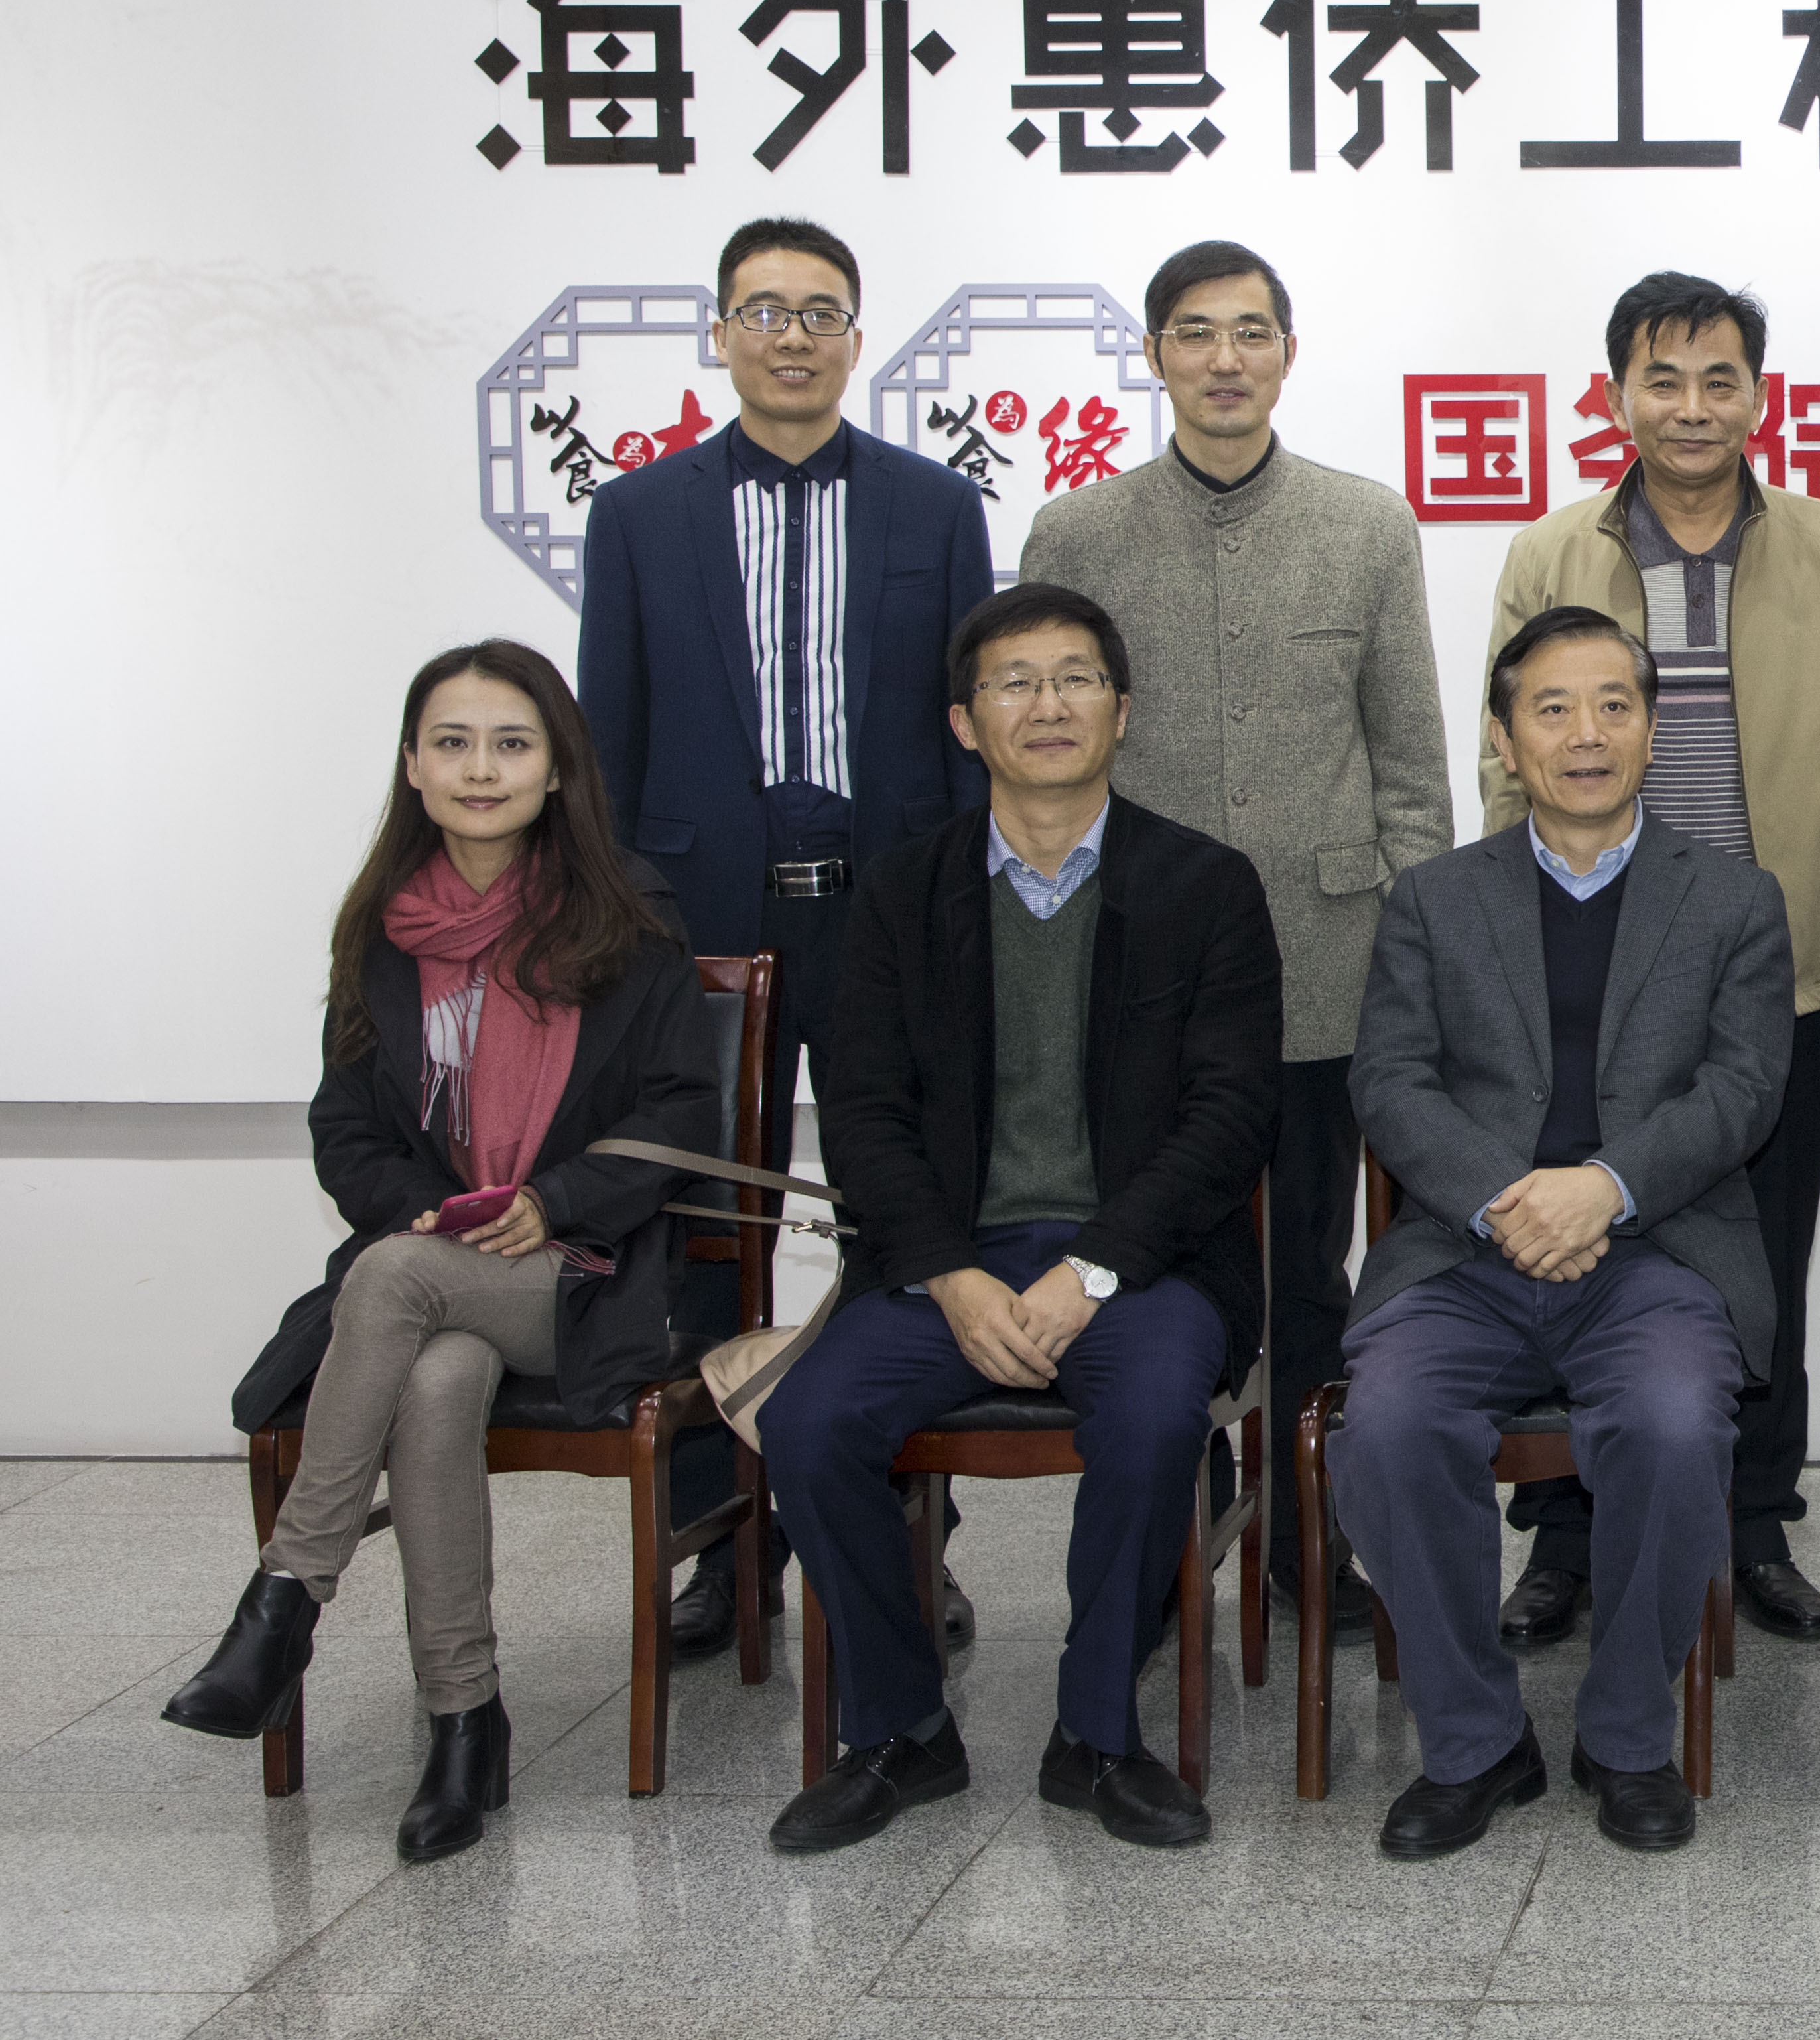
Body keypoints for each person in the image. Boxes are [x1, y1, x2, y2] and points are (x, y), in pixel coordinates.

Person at [166, 640, 722, 1864]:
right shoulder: (382, 929)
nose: (481, 768)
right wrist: (427, 1208)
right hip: (440, 1271)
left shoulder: (628, 917)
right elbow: (346, 1126)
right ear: (413, 765)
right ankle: (466, 1721)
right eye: (453, 743)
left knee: (390, 1275)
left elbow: (685, 1113)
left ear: (557, 769)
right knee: (432, 1372)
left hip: (581, 1274)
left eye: (512, 744)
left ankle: (284, 1599)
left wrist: (557, 1198)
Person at [761, 586, 1280, 1856]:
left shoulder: (1205, 886)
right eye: (1015, 682)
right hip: (950, 1261)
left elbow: (1230, 1118)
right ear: (965, 720)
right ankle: (901, 1728)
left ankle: (1095, 1732)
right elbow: (865, 1114)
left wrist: (1093, 1267)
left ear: (1122, 709)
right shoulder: (903, 892)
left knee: (1153, 1417)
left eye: (1075, 678)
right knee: (807, 1421)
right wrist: (949, 1274)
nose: (1048, 704)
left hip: (1145, 1261)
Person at [1024, 238, 1453, 1643]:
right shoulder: (1078, 533)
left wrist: (1420, 953)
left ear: (1286, 352)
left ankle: (1305, 1543)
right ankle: (1162, 1538)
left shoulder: (1365, 524)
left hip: (1327, 963)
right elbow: (1042, 758)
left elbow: (1410, 768)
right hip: (1138, 974)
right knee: (1149, 1258)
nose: (1225, 359)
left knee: (1308, 1275)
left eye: (1251, 332)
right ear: (1154, 355)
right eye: (1196, 333)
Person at [1478, 271, 1820, 1647]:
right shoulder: (1552, 551)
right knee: (1573, 1236)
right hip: (1586, 956)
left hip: (1769, 961)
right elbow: (1503, 755)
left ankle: (1752, 1518)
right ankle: (1565, 1535)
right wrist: (1503, 940)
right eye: (1662, 379)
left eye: (1719, 379)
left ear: (1758, 396)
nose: (1691, 406)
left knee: (1762, 1252)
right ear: (1616, 396)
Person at [578, 216, 993, 1659]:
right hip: (701, 927)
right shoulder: (640, 516)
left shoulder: (935, 509)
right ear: (720, 333)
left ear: (857, 337)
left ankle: (912, 1539)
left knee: (905, 1219)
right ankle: (722, 1549)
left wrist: (962, 915)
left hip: (885, 914)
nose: (793, 336)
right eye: (764, 310)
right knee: (704, 1230)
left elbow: (968, 734)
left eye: (821, 311)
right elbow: (609, 742)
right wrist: (630, 931)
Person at [1332, 607, 1797, 1859]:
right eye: (1551, 708)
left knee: (1672, 1422)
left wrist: (1605, 1186)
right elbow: (1390, 1082)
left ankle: (1628, 1735)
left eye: (1612, 705)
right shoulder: (1432, 899)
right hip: (1463, 1250)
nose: (1584, 733)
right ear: (1503, 738)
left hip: (1658, 1251)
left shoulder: (1734, 898)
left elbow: (1743, 1090)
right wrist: (1507, 1198)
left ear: (1651, 729)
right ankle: (1475, 1742)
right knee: (1387, 1425)